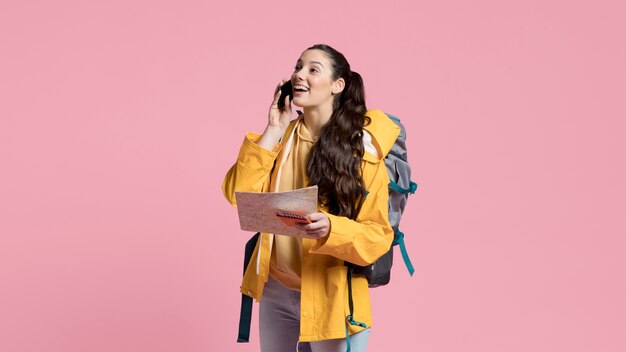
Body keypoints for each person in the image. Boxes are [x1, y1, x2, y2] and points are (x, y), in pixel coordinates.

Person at [222, 44, 400, 352]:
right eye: (298, 67)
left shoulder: (362, 151)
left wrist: (332, 228)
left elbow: (378, 235)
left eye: (313, 70)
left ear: (337, 85)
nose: (298, 75)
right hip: (276, 291)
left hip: (331, 293)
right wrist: (273, 129)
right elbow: (239, 195)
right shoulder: (283, 138)